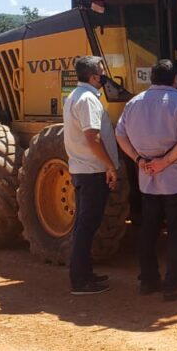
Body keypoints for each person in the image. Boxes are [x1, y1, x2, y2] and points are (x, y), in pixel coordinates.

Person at [115, 59, 177, 301]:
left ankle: (148, 281)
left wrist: (138, 160)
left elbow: (119, 134)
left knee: (148, 231)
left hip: (148, 180)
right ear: (175, 79)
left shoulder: (133, 104)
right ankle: (174, 285)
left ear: (151, 79)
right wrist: (165, 162)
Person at [63, 56, 120, 295]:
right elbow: (92, 137)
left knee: (85, 225)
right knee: (87, 226)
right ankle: (80, 281)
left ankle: (85, 273)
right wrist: (110, 165)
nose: (105, 75)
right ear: (94, 76)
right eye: (102, 71)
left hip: (84, 169)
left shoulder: (75, 96)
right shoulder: (87, 100)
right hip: (93, 171)